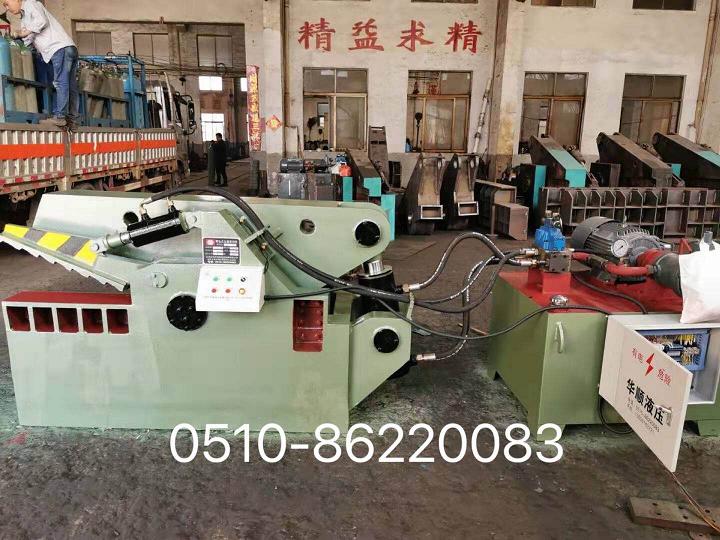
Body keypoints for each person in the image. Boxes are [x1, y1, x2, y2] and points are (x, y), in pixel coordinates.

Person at [3, 0, 78, 128]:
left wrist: (21, 33)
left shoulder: (30, 4)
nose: (7, 8)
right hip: (68, 48)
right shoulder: (25, 18)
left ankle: (60, 117)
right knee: (70, 85)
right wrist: (17, 41)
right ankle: (72, 119)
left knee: (60, 83)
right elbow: (30, 38)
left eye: (7, 3)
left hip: (59, 48)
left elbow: (42, 21)